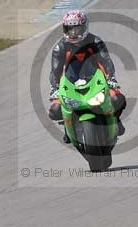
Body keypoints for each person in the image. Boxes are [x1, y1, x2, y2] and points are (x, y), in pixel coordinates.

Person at [48, 9, 126, 142]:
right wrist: (54, 88)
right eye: (70, 29)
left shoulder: (96, 42)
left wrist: (111, 78)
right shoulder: (60, 47)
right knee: (55, 110)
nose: (73, 33)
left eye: (77, 29)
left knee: (117, 99)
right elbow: (55, 71)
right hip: (69, 83)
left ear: (84, 27)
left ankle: (116, 120)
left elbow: (106, 61)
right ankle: (68, 129)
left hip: (96, 79)